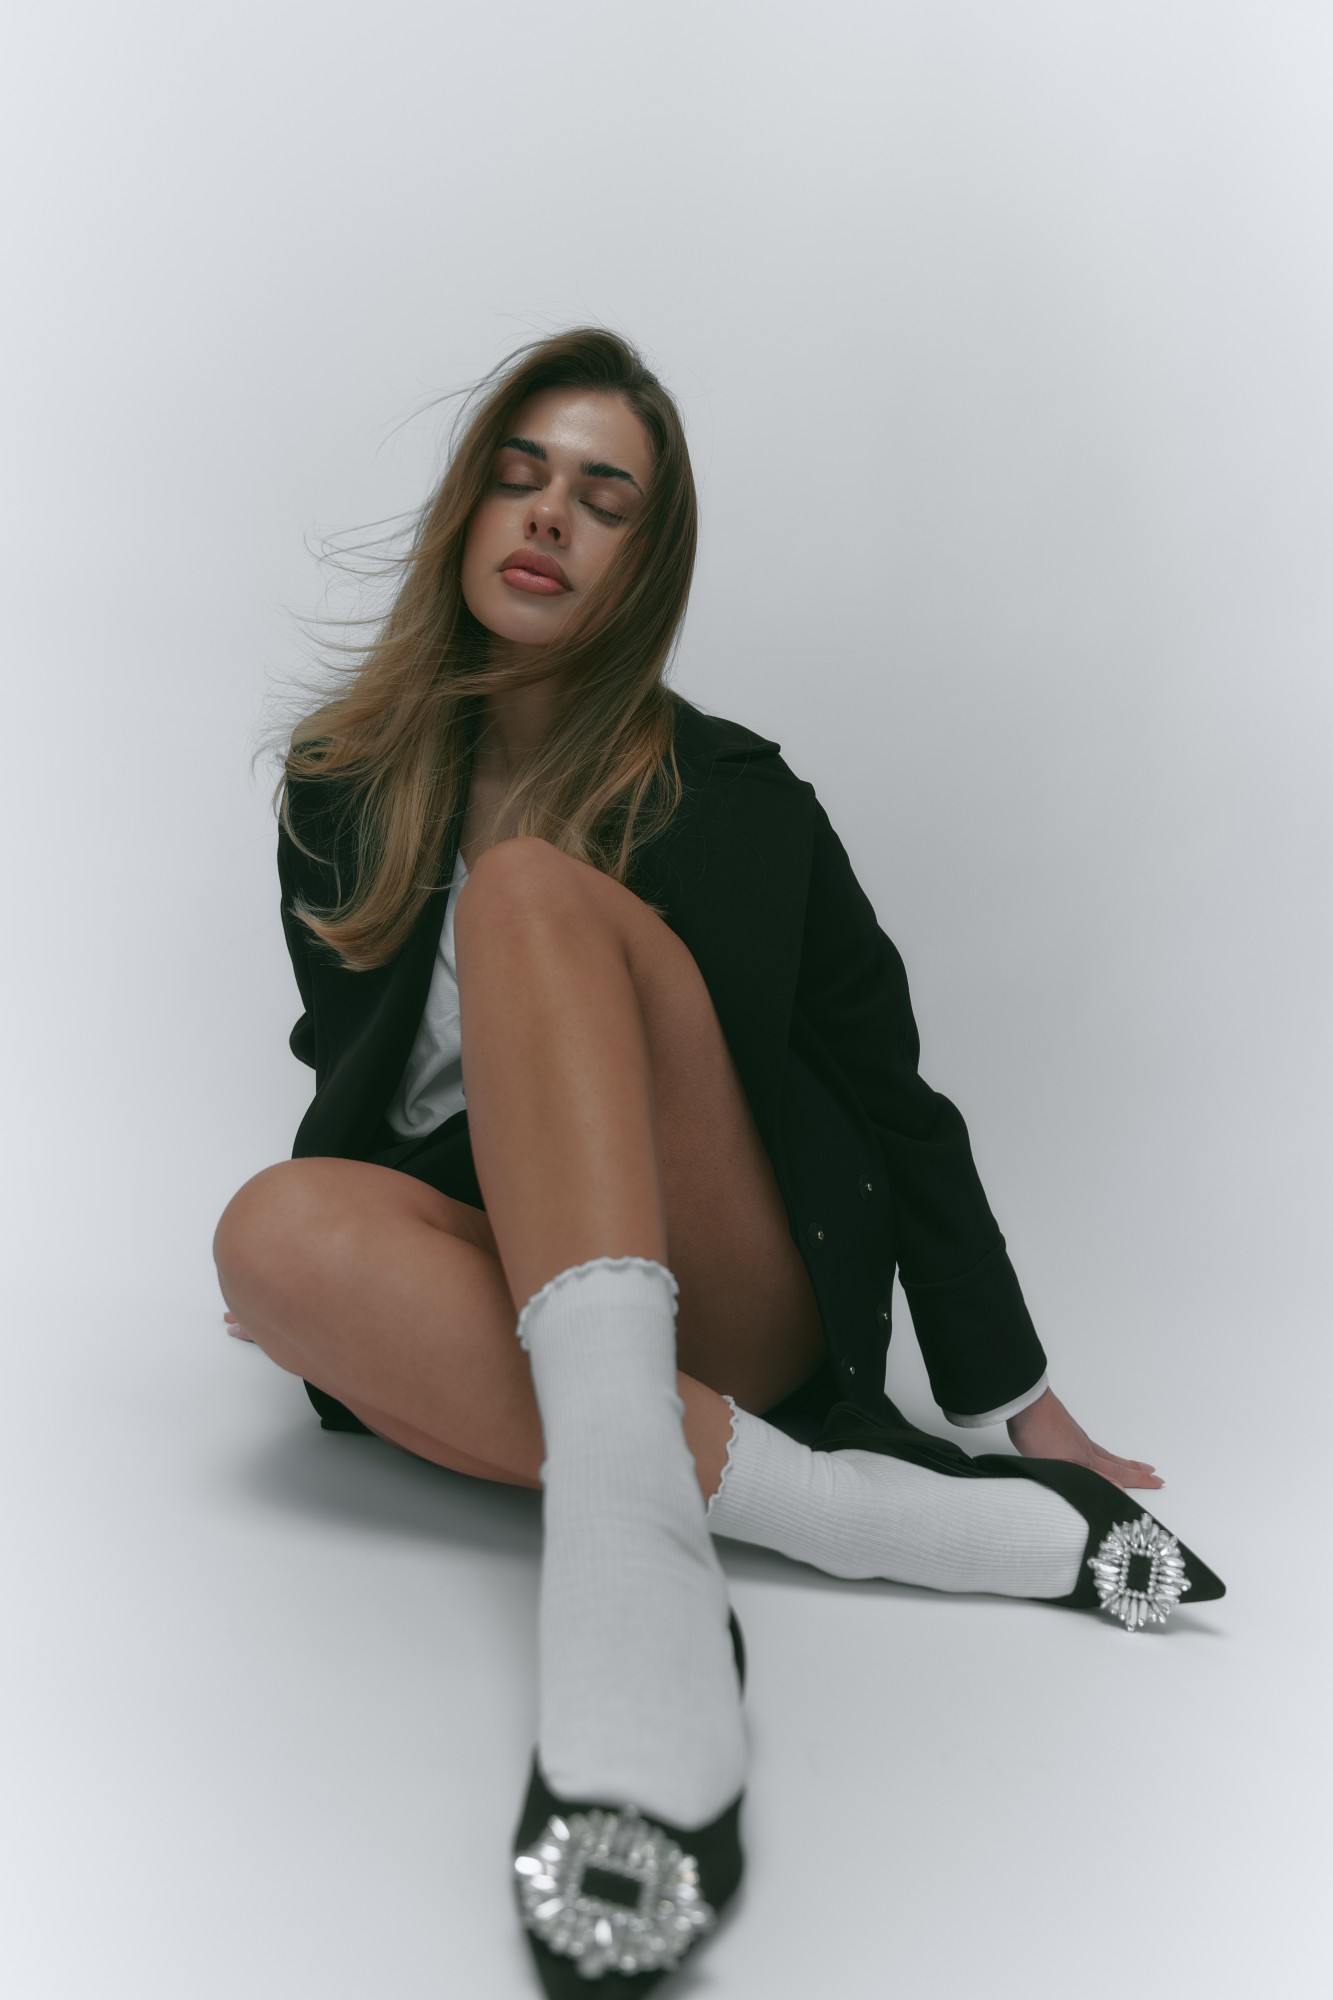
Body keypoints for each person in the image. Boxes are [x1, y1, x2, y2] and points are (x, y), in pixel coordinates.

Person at [212, 327, 1224, 1993]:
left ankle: (635, 1577)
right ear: (467, 516)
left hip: (727, 1284)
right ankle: (843, 1515)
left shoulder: (739, 797)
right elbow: (358, 1077)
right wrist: (331, 1283)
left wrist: (1014, 1397)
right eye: (518, 478)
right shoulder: (341, 788)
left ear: (643, 560)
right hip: (525, 1267)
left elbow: (894, 1100)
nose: (549, 517)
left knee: (531, 894)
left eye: (601, 498)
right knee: (263, 1233)